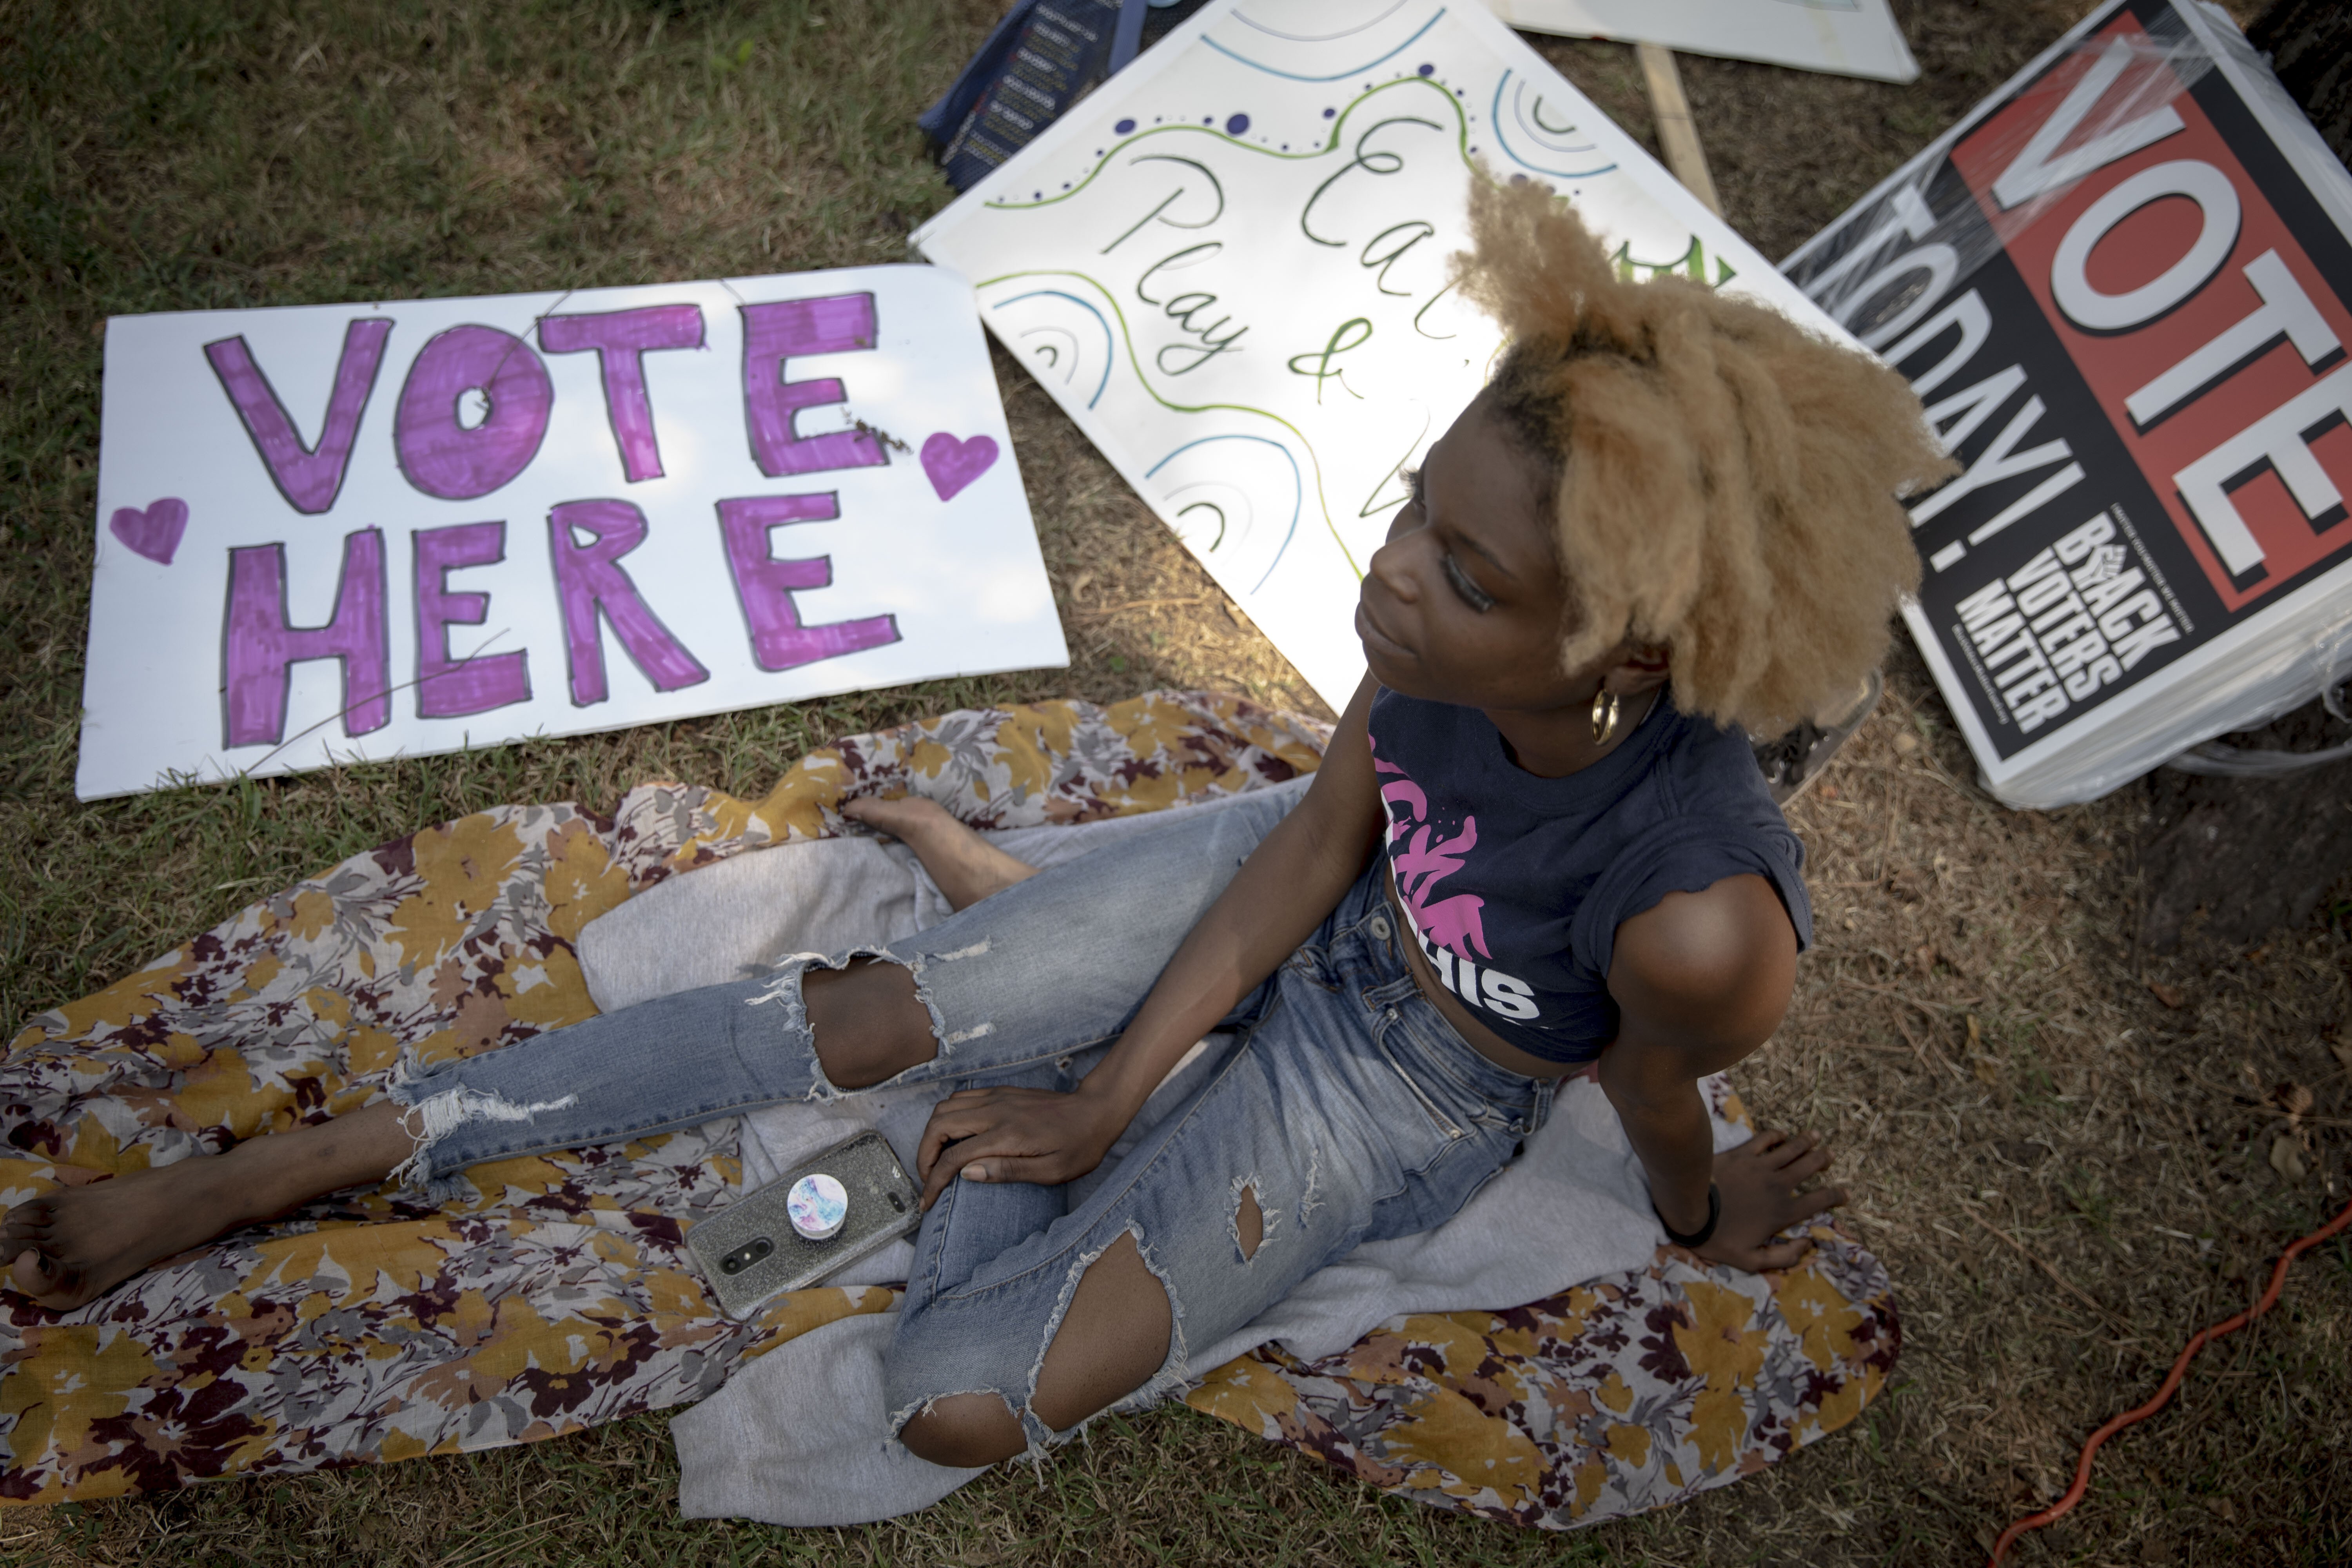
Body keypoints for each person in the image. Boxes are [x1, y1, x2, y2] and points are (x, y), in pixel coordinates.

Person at [2, 179, 1949, 1472]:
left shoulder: (1704, 914)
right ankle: (337, 1150)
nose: (1389, 582)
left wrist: (1701, 1215)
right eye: (1412, 511)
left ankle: (1029, 976)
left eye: (1464, 574)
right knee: (837, 1023)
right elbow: (1303, 854)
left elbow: (1657, 1084)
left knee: (951, 1404)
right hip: (1273, 898)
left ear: (1614, 652)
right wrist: (1106, 1103)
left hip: (1422, 1083)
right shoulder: (1426, 635)